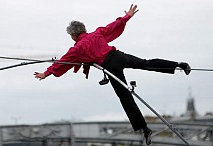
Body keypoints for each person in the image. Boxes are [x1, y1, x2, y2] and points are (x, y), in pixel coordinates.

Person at [34, 4, 191, 145]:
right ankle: (178, 65)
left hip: (110, 67)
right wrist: (127, 16)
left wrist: (46, 74)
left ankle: (144, 129)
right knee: (146, 63)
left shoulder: (77, 48)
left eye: (71, 36)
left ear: (74, 35)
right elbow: (114, 25)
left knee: (125, 97)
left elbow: (62, 62)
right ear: (84, 30)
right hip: (119, 56)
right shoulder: (96, 34)